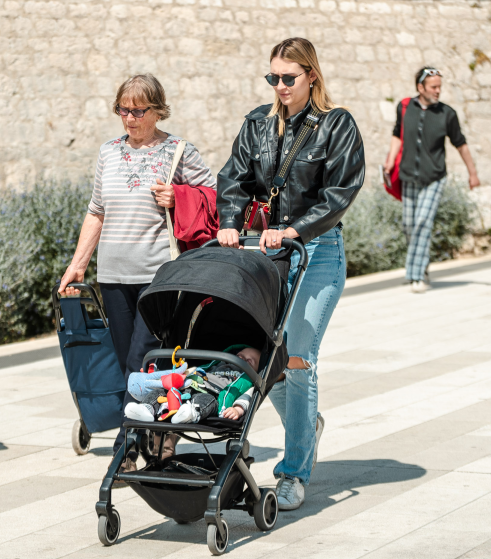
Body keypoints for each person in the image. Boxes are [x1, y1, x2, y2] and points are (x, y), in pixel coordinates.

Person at [217, 37, 364, 511]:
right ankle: (306, 425)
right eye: (273, 78)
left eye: (288, 78)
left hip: (318, 251)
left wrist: (295, 229)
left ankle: (293, 471)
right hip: (268, 252)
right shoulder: (258, 123)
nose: (279, 86)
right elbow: (234, 177)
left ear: (311, 77)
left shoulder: (336, 125)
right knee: (270, 360)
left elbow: (340, 192)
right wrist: (227, 221)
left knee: (299, 357)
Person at [58, 74, 215, 472]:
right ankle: (156, 433)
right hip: (113, 275)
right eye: (122, 110)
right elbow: (97, 211)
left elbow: (217, 199)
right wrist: (78, 265)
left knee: (141, 360)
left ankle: (129, 443)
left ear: (158, 109)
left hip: (159, 275)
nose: (129, 118)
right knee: (128, 359)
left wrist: (178, 196)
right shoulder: (108, 153)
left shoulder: (178, 151)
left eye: (138, 110)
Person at [383, 67, 480, 294]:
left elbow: (461, 144)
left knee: (423, 222)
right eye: (433, 87)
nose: (438, 91)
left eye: (439, 87)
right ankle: (422, 267)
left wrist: (472, 173)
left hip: (434, 178)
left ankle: (415, 276)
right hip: (408, 176)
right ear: (420, 87)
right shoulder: (405, 107)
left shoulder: (448, 114)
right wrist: (389, 160)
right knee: (409, 226)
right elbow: (397, 134)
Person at [124, 345, 261, 424]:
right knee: (160, 393)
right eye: (240, 355)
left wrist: (237, 409)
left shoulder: (247, 382)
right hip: (188, 385)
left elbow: (246, 398)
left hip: (212, 393)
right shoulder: (218, 364)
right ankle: (146, 408)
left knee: (206, 401)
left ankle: (191, 412)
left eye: (249, 361)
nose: (241, 359)